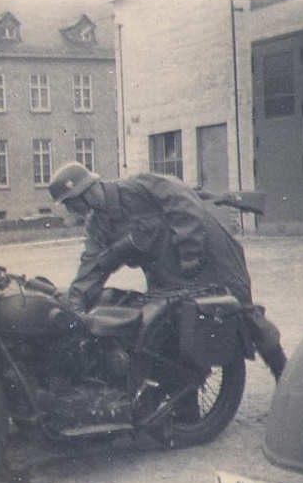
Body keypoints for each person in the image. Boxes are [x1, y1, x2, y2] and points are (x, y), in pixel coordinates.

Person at [47, 161, 288, 381]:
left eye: (72, 202)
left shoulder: (139, 187)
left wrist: (191, 255)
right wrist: (76, 303)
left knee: (241, 310)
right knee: (169, 327)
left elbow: (186, 208)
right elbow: (93, 264)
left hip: (208, 253)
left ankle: (284, 374)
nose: (72, 210)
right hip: (165, 270)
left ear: (88, 191)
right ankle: (188, 406)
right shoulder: (97, 224)